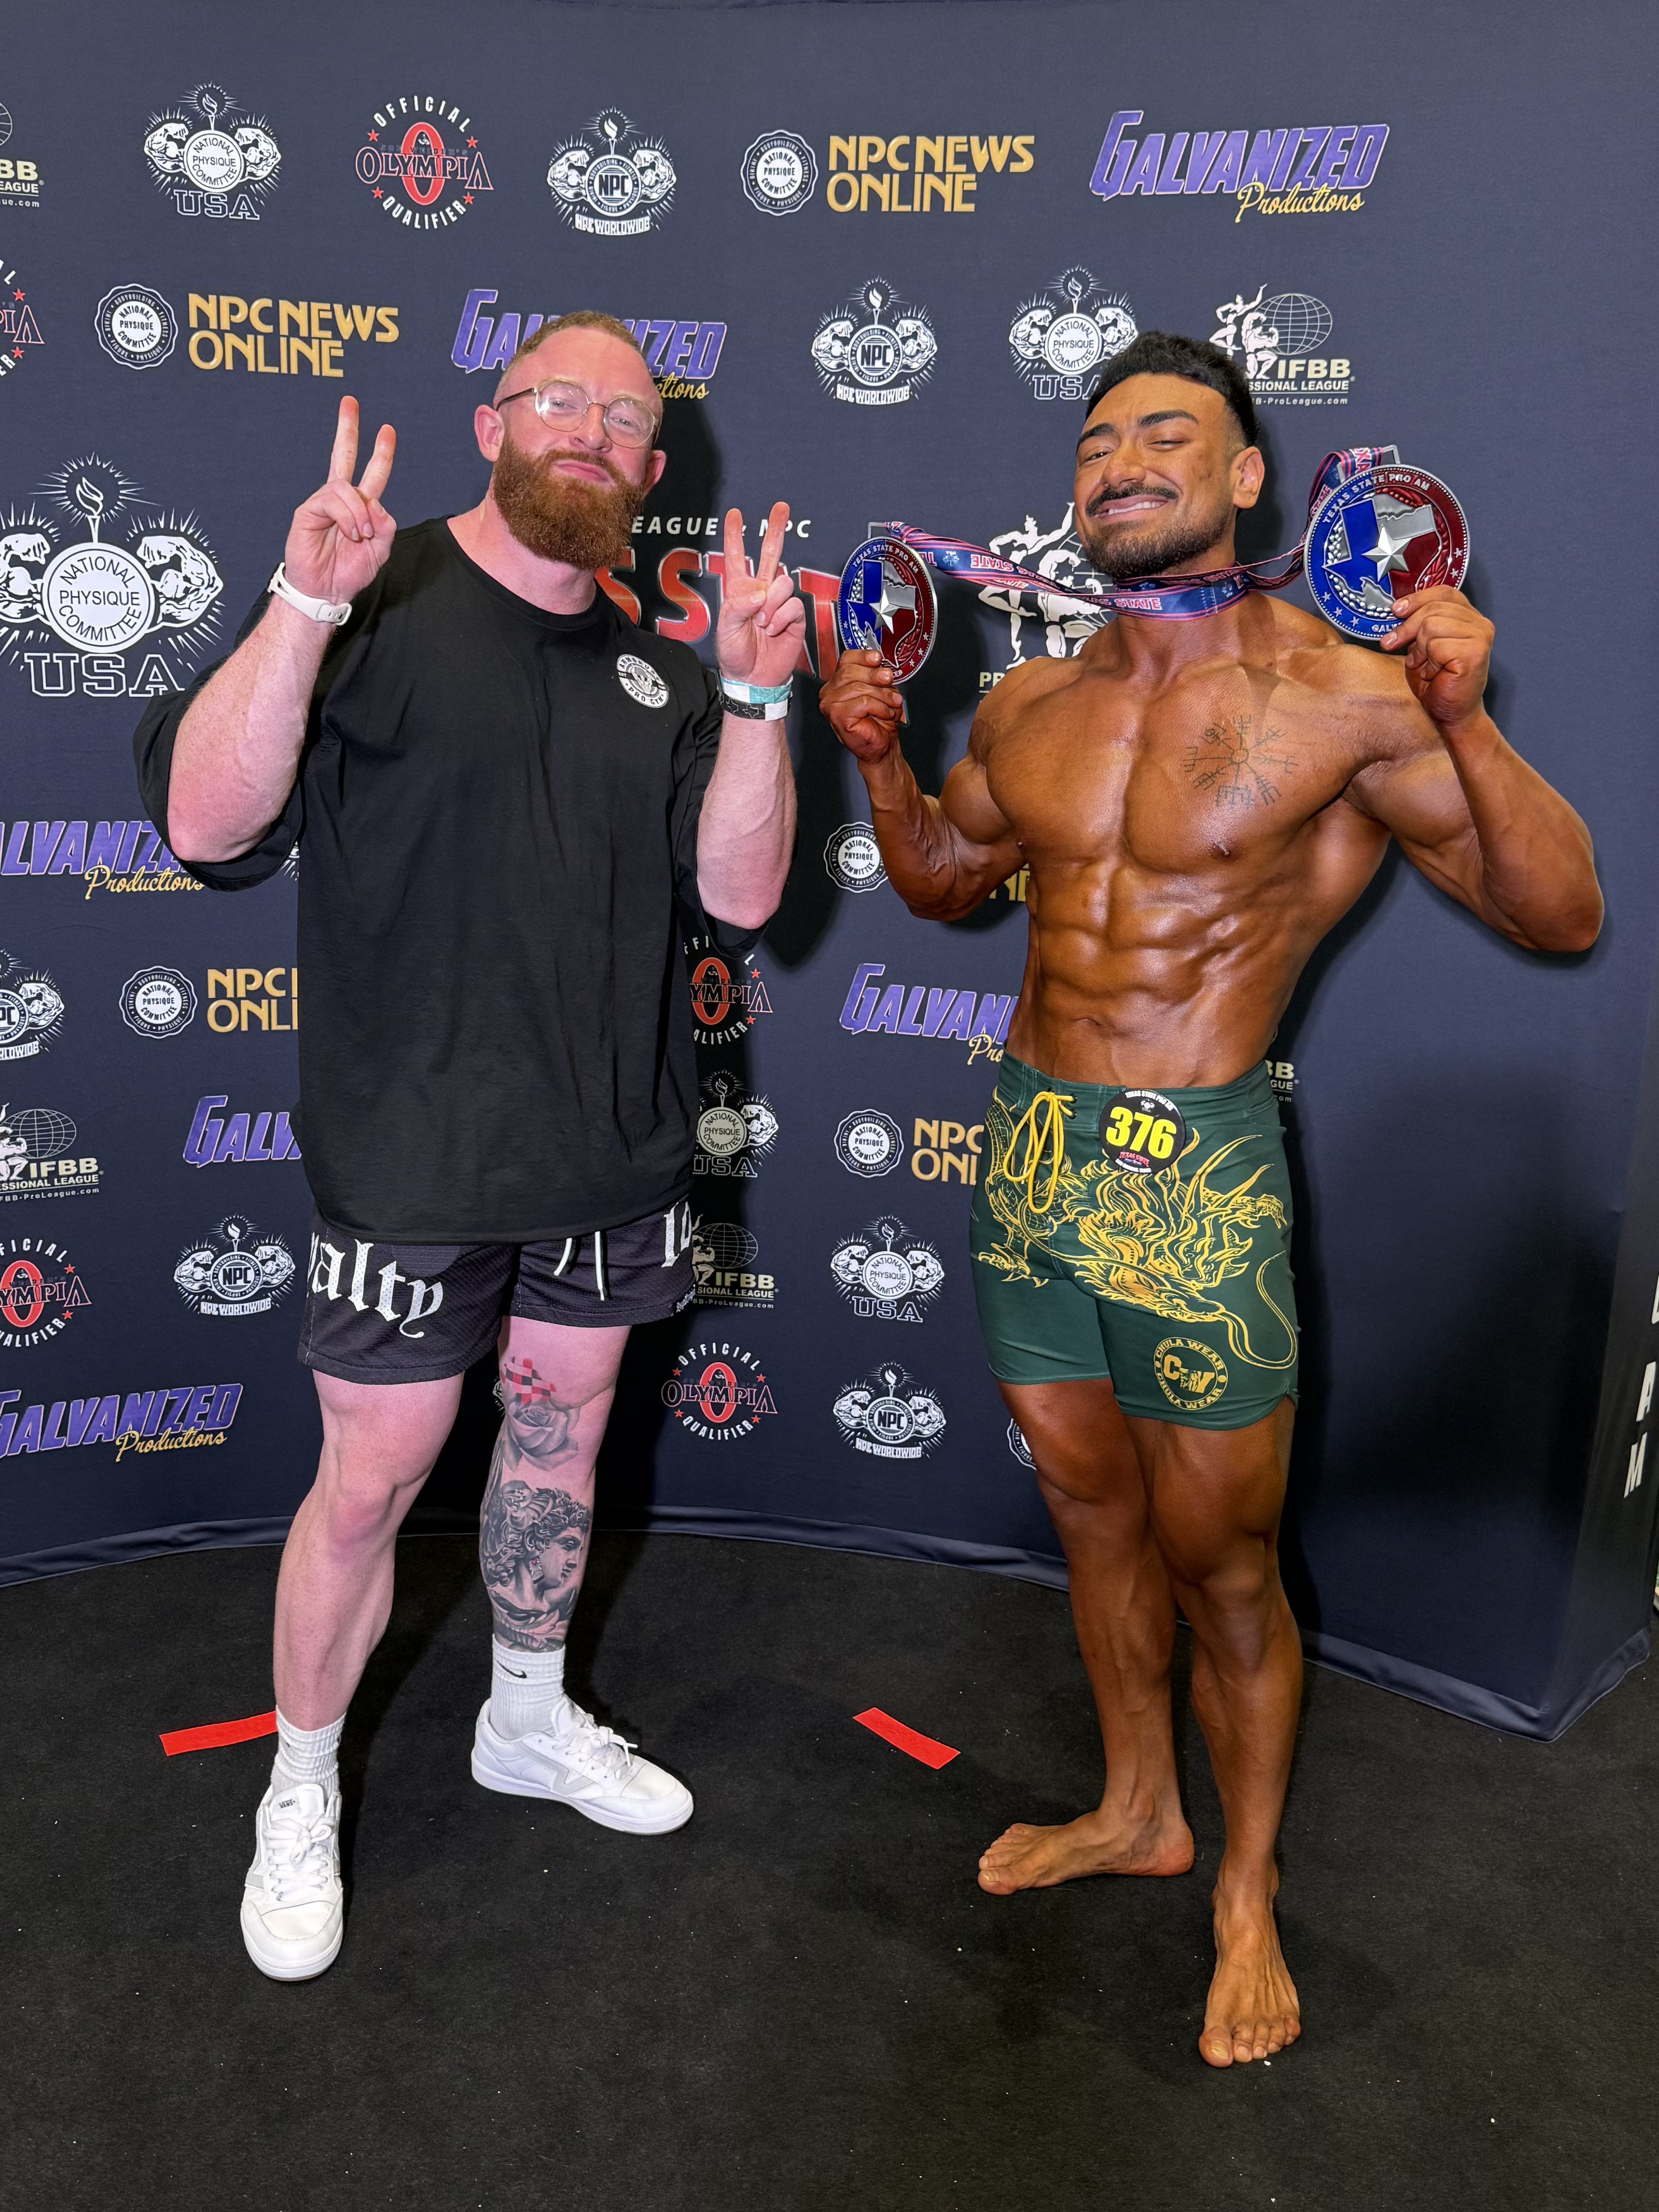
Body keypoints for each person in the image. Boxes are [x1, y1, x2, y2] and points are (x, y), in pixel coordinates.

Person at [820, 330, 1601, 2067]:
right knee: (1091, 1515)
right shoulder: (1029, 702)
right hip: (1032, 1155)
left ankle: (1247, 1888)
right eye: (1098, 443)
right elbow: (945, 882)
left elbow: (1560, 914)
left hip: (1197, 1178)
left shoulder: (1348, 692)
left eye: (1165, 435)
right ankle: (1137, 1807)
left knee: (1225, 1564)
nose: (1121, 464)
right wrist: (877, 758)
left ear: (1247, 475)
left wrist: (1465, 723)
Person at [135, 310, 802, 1982]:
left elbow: (739, 896)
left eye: (625, 419)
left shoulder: (659, 672)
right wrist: (303, 605)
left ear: (652, 469)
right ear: (494, 422)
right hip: (412, 1160)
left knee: (559, 1448)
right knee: (370, 1480)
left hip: (613, 1155)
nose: (592, 433)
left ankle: (525, 1712)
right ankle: (300, 1783)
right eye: (558, 399)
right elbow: (204, 822)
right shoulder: (371, 590)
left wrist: (756, 697)